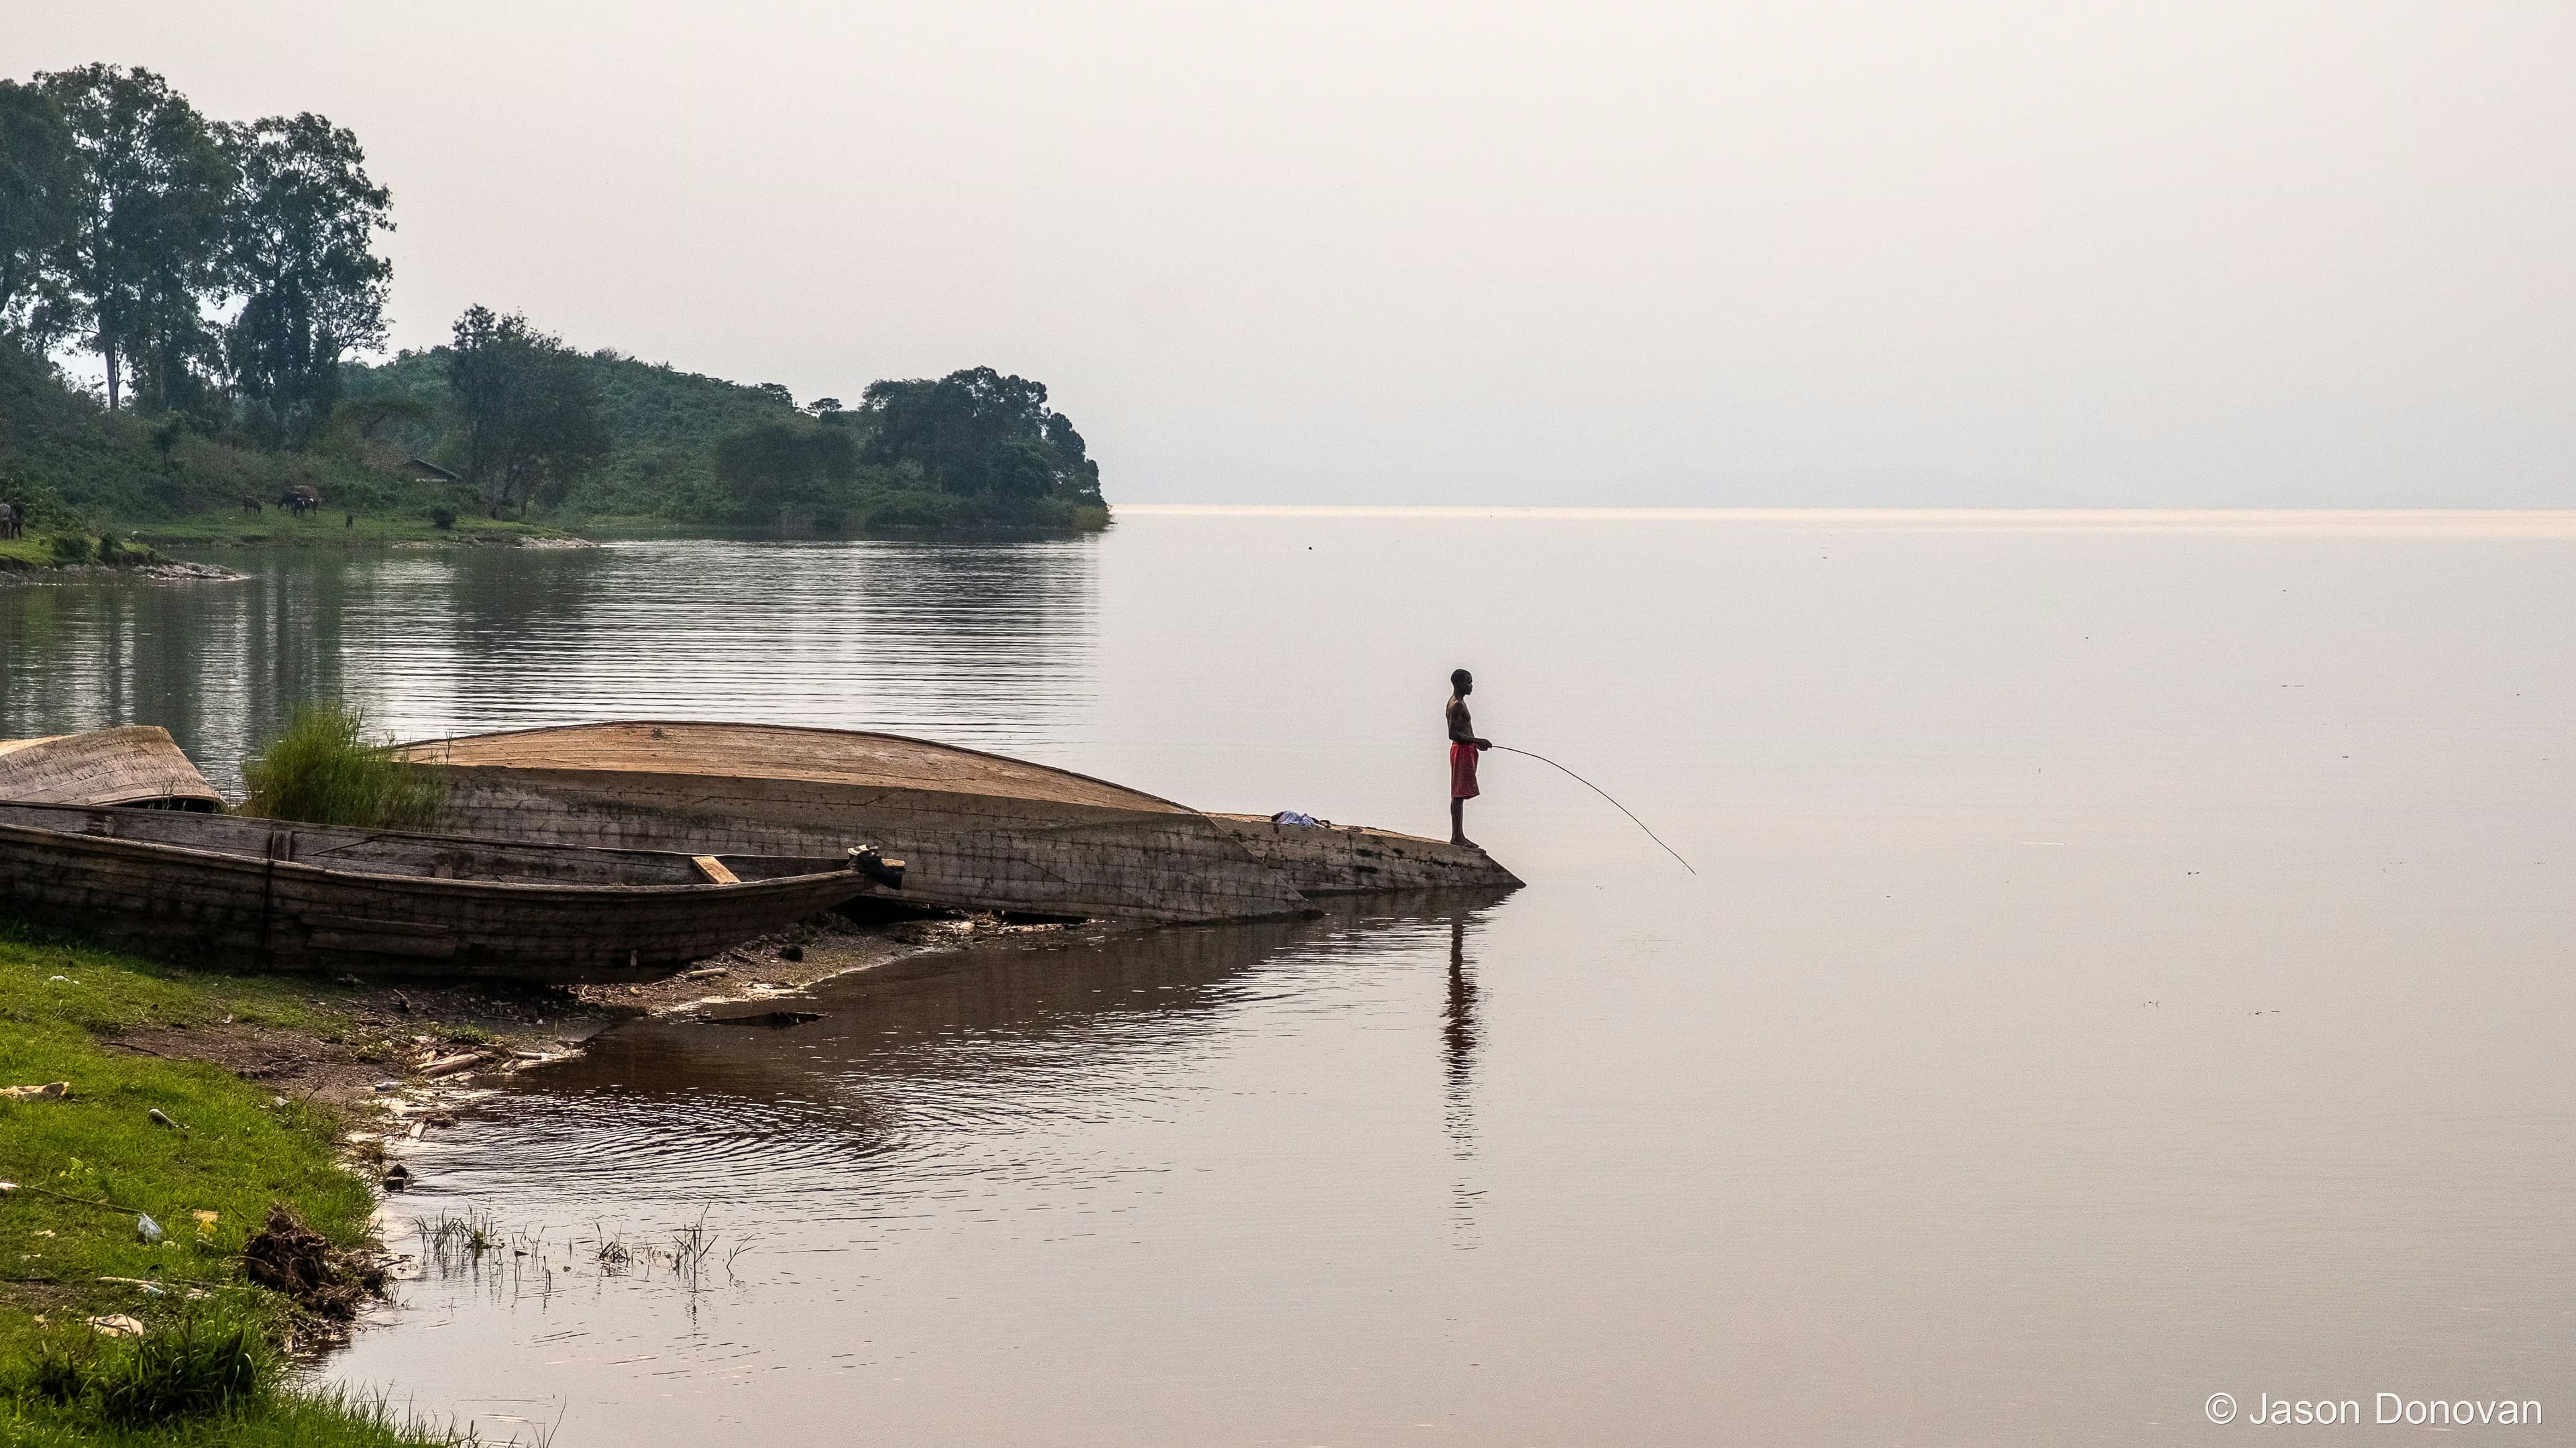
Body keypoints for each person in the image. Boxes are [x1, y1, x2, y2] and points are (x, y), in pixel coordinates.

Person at [1446, 667, 1492, 847]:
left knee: (1460, 793)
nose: (1471, 686)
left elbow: (1462, 731)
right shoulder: (1456, 704)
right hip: (1461, 750)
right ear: (1458, 683)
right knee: (1458, 794)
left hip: (1466, 749)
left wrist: (1476, 744)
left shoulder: (1460, 703)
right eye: (1468, 682)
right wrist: (1476, 740)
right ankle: (1457, 836)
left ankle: (1458, 834)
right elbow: (1453, 734)